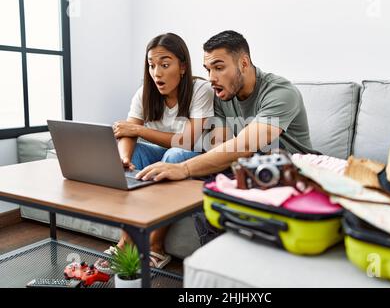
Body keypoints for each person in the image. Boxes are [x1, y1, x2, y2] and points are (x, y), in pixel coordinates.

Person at [134, 30, 318, 184]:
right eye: (208, 69)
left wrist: (183, 168)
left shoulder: (280, 92)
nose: (211, 78)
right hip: (253, 172)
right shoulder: (221, 96)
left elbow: (244, 145)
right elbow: (220, 147)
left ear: (244, 63)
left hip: (297, 172)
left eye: (219, 68)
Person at [105, 33, 214, 269]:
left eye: (165, 65)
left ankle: (156, 245)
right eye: (152, 65)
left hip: (194, 155)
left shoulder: (200, 89)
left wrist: (138, 129)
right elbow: (127, 132)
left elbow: (187, 141)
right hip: (159, 153)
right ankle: (126, 240)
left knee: (172, 157)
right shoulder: (144, 92)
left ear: (182, 66)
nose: (157, 73)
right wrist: (124, 159)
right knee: (127, 156)